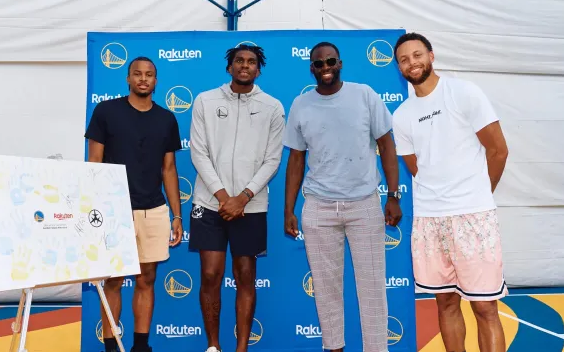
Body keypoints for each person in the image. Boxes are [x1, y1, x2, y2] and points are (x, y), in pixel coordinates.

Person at [391, 32, 509, 352]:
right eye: (404, 59)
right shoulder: (401, 115)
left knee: (485, 307)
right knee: (445, 303)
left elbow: (498, 150)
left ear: (431, 56)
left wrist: (480, 195)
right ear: (399, 67)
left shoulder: (464, 93)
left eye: (417, 55)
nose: (411, 63)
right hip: (430, 220)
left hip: (473, 216)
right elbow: (417, 168)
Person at [283, 42, 403, 352]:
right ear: (311, 68)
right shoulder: (301, 105)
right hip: (318, 209)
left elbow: (387, 145)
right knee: (325, 289)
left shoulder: (364, 95)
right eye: (319, 63)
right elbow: (295, 159)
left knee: (373, 288)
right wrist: (289, 209)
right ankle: (333, 347)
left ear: (340, 64)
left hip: (364, 205)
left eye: (330, 61)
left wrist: (393, 195)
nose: (325, 67)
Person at [189, 44, 285, 352]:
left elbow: (272, 160)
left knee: (245, 276)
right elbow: (198, 153)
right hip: (208, 203)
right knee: (209, 274)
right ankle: (213, 346)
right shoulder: (205, 101)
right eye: (239, 61)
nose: (245, 65)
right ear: (229, 67)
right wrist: (222, 196)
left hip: (251, 206)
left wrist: (242, 198)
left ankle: (241, 348)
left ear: (259, 69)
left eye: (252, 62)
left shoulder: (273, 107)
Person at [85, 56, 184, 352]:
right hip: (114, 211)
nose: (143, 79)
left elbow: (169, 169)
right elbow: (94, 163)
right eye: (137, 74)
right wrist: (97, 211)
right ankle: (112, 347)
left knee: (147, 278)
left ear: (156, 81)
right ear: (128, 79)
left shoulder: (167, 119)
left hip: (153, 209)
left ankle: (142, 346)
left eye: (149, 75)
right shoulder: (106, 111)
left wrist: (177, 215)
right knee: (113, 280)